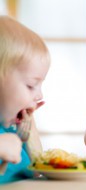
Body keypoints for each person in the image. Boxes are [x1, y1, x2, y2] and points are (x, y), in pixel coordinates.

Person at [0, 16, 50, 183]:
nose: (39, 96)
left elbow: (38, 174)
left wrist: (31, 139)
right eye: (30, 85)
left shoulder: (11, 129)